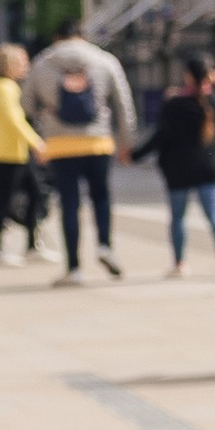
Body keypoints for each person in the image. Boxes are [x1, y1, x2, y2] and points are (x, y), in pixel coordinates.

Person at [31, 20, 135, 278]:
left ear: (57, 37)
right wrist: (126, 142)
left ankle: (74, 268)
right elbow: (124, 104)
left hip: (60, 145)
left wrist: (46, 119)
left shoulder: (42, 63)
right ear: (81, 36)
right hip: (98, 142)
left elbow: (26, 104)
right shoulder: (104, 60)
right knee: (101, 196)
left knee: (69, 204)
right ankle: (105, 246)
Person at [133, 51, 215, 276]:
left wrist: (134, 155)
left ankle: (180, 264)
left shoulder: (175, 104)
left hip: (178, 170)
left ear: (188, 76)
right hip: (209, 168)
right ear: (210, 76)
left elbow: (159, 137)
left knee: (178, 219)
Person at [0, 44, 46, 260]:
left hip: (13, 152)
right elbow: (14, 120)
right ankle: (0, 249)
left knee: (35, 193)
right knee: (6, 200)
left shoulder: (3, 86)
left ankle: (32, 244)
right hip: (6, 154)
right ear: (9, 65)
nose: (26, 66)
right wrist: (38, 144)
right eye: (21, 63)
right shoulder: (2, 87)